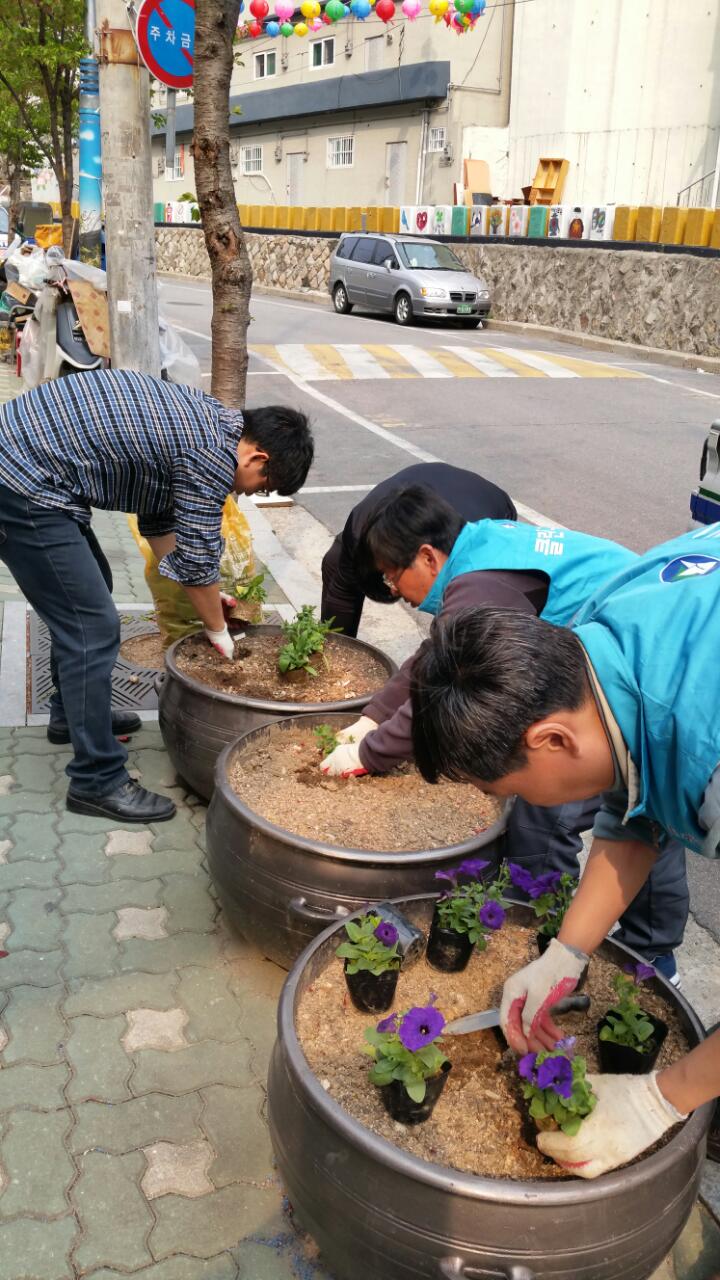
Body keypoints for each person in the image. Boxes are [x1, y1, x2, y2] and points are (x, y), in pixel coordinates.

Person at [409, 524, 720, 1179]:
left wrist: (664, 1098)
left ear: (551, 739)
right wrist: (567, 951)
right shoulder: (600, 637)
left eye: (508, 789)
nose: (521, 805)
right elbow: (634, 813)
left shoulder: (708, 755)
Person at [320, 485, 688, 979]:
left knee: (556, 816)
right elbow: (437, 657)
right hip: (622, 658)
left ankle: (548, 925)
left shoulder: (480, 586)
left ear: (427, 557)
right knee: (641, 805)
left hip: (622, 681)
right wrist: (373, 714)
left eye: (392, 576)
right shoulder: (482, 545)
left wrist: (370, 751)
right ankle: (628, 943)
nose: (392, 591)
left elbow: (438, 690)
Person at [0, 368, 314, 824]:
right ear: (257, 457)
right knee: (91, 626)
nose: (249, 496)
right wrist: (219, 631)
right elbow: (200, 557)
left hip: (32, 469)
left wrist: (206, 596)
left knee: (91, 592)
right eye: (262, 487)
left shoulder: (212, 426)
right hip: (22, 482)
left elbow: (166, 530)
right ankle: (96, 780)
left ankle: (68, 717)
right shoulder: (211, 455)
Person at [320, 462, 516, 637]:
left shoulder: (468, 551)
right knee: (334, 563)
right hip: (429, 482)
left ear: (428, 558)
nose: (404, 597)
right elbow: (342, 595)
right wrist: (335, 656)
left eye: (393, 579)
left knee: (461, 620)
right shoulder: (358, 531)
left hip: (485, 502)